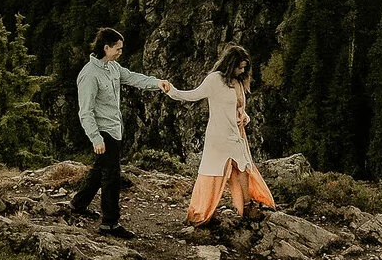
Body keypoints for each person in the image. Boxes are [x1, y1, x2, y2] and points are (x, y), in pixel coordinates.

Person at [70, 26, 170, 235]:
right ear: (106, 48)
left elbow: (133, 77)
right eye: (118, 49)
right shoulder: (89, 75)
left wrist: (157, 83)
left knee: (100, 171)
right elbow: (85, 112)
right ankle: (110, 223)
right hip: (103, 131)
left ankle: (78, 205)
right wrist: (96, 138)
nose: (120, 52)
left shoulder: (113, 67)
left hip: (115, 129)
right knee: (111, 176)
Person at [163, 45, 274, 226]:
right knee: (214, 172)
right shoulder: (215, 80)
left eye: (245, 67)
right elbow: (192, 95)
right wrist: (171, 91)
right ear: (230, 64)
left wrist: (245, 117)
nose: (242, 70)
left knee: (242, 168)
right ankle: (203, 210)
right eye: (240, 67)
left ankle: (246, 206)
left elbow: (240, 109)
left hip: (236, 133)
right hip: (219, 134)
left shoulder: (238, 82)